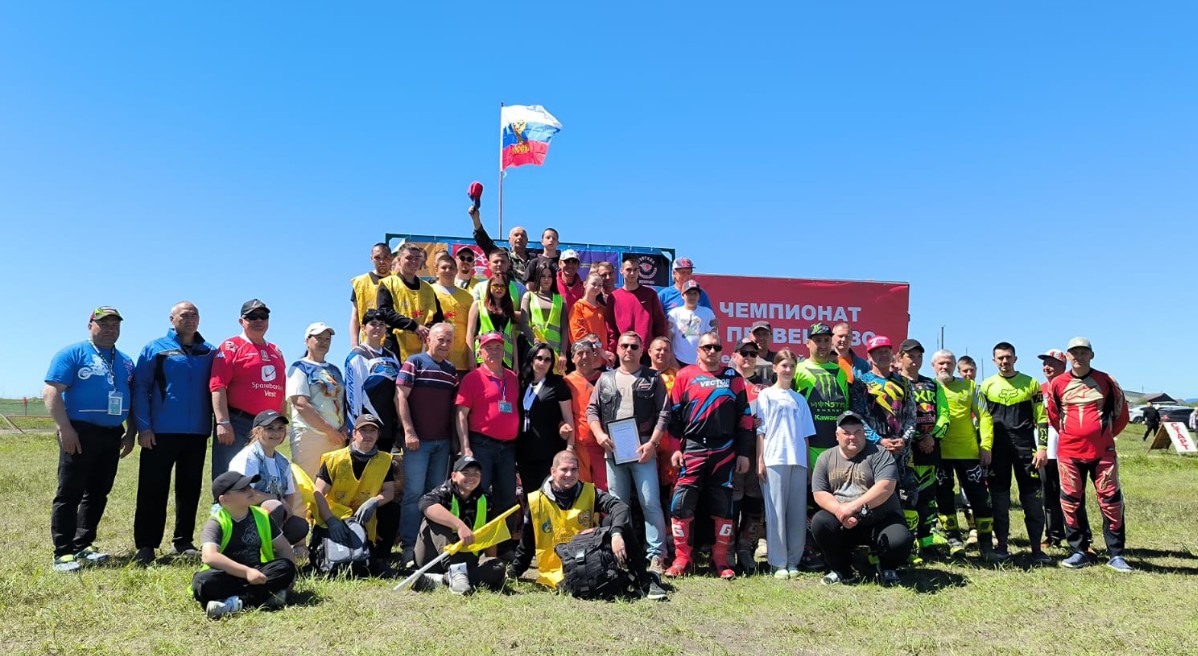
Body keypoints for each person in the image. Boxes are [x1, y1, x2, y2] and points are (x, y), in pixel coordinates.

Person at [44, 306, 137, 572]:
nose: (110, 329)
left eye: (115, 325)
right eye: (104, 324)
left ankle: (83, 545)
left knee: (98, 492)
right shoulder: (72, 353)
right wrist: (65, 428)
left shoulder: (125, 361)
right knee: (70, 492)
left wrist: (130, 432)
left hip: (112, 433)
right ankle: (63, 552)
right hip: (79, 431)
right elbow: (51, 391)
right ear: (90, 326)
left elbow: (132, 399)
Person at [509, 451, 668, 600]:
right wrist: (513, 572)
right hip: (557, 575)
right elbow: (527, 543)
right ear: (553, 471)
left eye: (574, 469)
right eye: (564, 469)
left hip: (591, 564)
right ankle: (634, 578)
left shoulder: (589, 492)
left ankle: (643, 580)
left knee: (617, 523)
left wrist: (616, 534)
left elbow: (619, 507)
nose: (569, 474)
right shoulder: (536, 501)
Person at [659, 331, 754, 579]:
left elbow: (745, 418)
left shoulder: (733, 377)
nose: (712, 351)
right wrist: (675, 447)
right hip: (692, 448)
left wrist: (744, 453)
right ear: (698, 351)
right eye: (707, 347)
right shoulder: (684, 375)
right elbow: (674, 416)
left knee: (723, 505)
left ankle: (720, 560)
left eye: (716, 347)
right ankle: (682, 559)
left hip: (725, 449)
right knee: (681, 502)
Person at [132, 302, 217, 564]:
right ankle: (146, 545)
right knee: (152, 488)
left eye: (194, 315)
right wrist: (144, 427)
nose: (190, 319)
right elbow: (140, 387)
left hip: (197, 433)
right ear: (172, 319)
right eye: (184, 315)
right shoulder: (155, 348)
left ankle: (183, 541)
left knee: (189, 489)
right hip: (160, 432)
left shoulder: (210, 351)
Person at [1044, 338, 1131, 572]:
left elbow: (1121, 413)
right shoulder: (1057, 384)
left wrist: (1103, 436)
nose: (1079, 357)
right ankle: (1079, 551)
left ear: (1091, 355)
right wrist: (1072, 435)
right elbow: (1053, 415)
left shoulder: (1107, 380)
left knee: (1111, 501)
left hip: (1103, 453)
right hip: (1069, 453)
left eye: (1083, 352)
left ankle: (1116, 554)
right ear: (1068, 356)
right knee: (1070, 501)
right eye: (1074, 353)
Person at [587, 332, 669, 573]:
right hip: (613, 448)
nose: (629, 350)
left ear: (642, 350)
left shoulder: (653, 378)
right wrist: (599, 435)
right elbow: (592, 410)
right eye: (624, 345)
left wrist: (652, 444)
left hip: (643, 447)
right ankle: (624, 554)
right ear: (618, 349)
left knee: (650, 502)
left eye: (634, 346)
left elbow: (664, 413)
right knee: (617, 504)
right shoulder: (605, 379)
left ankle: (656, 555)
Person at [811, 412, 913, 586]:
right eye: (846, 433)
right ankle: (842, 570)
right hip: (844, 521)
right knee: (820, 522)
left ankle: (887, 568)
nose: (852, 437)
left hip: (879, 519)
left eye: (858, 432)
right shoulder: (825, 458)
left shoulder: (880, 454)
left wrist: (853, 507)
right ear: (837, 435)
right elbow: (819, 493)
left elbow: (886, 487)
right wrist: (839, 510)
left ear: (864, 433)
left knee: (899, 538)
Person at [396, 323, 461, 567]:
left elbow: (453, 408)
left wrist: (454, 440)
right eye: (440, 339)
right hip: (417, 442)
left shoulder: (451, 370)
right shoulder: (414, 362)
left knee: (434, 496)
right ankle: (409, 546)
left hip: (441, 443)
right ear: (429, 340)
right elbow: (400, 396)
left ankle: (430, 548)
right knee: (414, 493)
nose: (445, 344)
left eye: (449, 340)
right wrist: (408, 431)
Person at [980, 342, 1049, 564]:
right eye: (1000, 358)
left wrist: (1043, 448)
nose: (1004, 361)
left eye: (1008, 357)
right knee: (999, 499)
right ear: (994, 361)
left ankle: (1037, 549)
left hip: (1025, 447)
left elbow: (1042, 417)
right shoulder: (986, 386)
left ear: (1015, 359)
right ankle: (1001, 546)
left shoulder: (1031, 383)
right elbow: (983, 419)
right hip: (997, 449)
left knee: (1032, 499)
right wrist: (985, 447)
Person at [192, 471, 297, 619]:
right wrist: (246, 572)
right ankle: (262, 597)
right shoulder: (216, 522)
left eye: (249, 486)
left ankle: (235, 602)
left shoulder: (262, 516)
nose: (250, 490)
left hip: (258, 572)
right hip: (228, 575)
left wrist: (292, 577)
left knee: (286, 567)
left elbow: (284, 547)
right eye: (242, 489)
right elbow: (209, 556)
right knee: (202, 582)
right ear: (224, 499)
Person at [455, 332, 521, 552]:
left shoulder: (512, 378)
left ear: (504, 351)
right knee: (477, 495)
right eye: (488, 348)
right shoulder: (472, 378)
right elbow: (461, 414)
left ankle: (503, 549)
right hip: (481, 445)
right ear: (480, 352)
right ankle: (474, 548)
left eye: (498, 348)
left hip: (508, 447)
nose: (494, 352)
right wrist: (465, 446)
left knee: (507, 498)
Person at [929, 349, 997, 560]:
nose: (945, 367)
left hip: (968, 452)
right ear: (933, 366)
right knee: (944, 498)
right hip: (939, 453)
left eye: (949, 363)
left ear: (954, 365)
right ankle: (954, 541)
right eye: (940, 363)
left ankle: (986, 544)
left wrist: (986, 446)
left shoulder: (970, 387)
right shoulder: (928, 387)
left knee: (980, 498)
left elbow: (985, 416)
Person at [311, 414, 397, 575]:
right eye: (363, 430)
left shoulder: (385, 460)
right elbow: (318, 492)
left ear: (378, 435)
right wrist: (330, 520)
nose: (368, 435)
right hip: (335, 518)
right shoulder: (334, 459)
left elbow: (389, 492)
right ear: (354, 433)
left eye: (373, 431)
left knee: (392, 509)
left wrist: (374, 501)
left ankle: (381, 556)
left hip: (364, 518)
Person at [755, 350, 816, 578]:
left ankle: (793, 561)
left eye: (791, 366)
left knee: (796, 514)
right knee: (776, 513)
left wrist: (807, 464)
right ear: (775, 368)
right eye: (784, 365)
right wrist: (760, 459)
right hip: (774, 459)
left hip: (797, 460)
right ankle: (777, 562)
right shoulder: (766, 395)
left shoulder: (799, 399)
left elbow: (806, 435)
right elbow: (760, 431)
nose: (788, 370)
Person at [210, 299, 286, 480]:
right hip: (237, 423)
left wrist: (282, 424)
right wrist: (223, 422)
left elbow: (281, 390)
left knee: (262, 477)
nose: (259, 320)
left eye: (263, 316)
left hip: (268, 425)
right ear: (241, 321)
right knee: (231, 477)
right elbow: (218, 386)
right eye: (252, 317)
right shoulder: (231, 346)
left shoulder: (276, 350)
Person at [413, 456, 508, 594]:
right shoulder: (444, 491)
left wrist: (490, 560)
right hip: (434, 557)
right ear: (454, 476)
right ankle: (455, 571)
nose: (471, 477)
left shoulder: (486, 498)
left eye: (475, 473)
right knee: (434, 519)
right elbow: (425, 505)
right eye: (466, 473)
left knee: (498, 566)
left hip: (468, 559)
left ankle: (442, 580)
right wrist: (460, 526)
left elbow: (490, 532)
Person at [895, 339, 949, 561]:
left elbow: (944, 414)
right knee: (906, 498)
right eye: (910, 356)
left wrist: (932, 436)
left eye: (919, 356)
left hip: (929, 448)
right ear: (900, 358)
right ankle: (906, 546)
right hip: (905, 449)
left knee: (927, 497)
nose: (915, 360)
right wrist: (911, 438)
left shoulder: (933, 384)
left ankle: (926, 541)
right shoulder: (895, 383)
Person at [227, 411, 310, 550]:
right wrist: (277, 499)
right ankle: (251, 549)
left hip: (269, 516)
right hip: (240, 517)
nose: (276, 433)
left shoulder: (283, 461)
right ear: (257, 431)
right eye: (269, 428)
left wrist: (286, 512)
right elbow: (243, 494)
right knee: (274, 506)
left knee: (299, 526)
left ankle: (272, 547)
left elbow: (289, 494)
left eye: (280, 428)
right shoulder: (248, 458)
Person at [286, 323, 347, 479]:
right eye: (318, 338)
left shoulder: (335, 370)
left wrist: (343, 428)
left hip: (337, 437)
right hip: (310, 435)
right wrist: (328, 430)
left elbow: (343, 402)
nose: (323, 342)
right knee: (307, 483)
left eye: (327, 339)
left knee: (333, 484)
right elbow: (300, 404)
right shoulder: (299, 367)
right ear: (307, 341)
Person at [517, 343, 575, 501]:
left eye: (547, 360)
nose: (542, 363)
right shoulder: (522, 383)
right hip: (524, 452)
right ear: (531, 360)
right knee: (531, 497)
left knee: (550, 496)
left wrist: (570, 447)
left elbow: (568, 417)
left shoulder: (557, 384)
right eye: (539, 358)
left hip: (549, 451)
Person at [731, 337, 768, 572]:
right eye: (743, 353)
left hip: (757, 451)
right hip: (732, 451)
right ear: (734, 356)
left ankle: (745, 549)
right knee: (732, 501)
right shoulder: (726, 380)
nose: (748, 357)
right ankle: (727, 550)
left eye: (753, 353)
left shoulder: (765, 386)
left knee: (754, 501)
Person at [343, 309, 402, 454]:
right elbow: (352, 398)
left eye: (381, 324)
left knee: (383, 467)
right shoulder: (356, 356)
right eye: (373, 324)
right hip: (366, 429)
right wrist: (354, 430)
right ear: (363, 328)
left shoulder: (392, 356)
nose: (378, 328)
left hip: (388, 427)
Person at [377, 243, 443, 363]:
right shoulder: (387, 284)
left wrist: (427, 331)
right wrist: (414, 326)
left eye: (417, 258)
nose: (413, 261)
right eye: (409, 258)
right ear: (399, 260)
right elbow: (384, 312)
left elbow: (438, 316)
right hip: (395, 347)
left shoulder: (428, 288)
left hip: (423, 348)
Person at [1037, 349, 1070, 549]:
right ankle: (1053, 534)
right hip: (1045, 444)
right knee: (1048, 490)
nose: (1047, 367)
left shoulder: (1070, 386)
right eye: (1045, 363)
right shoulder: (1039, 389)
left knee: (1069, 491)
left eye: (1052, 363)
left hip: (1067, 443)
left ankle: (1078, 537)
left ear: (1063, 366)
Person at [608, 255, 669, 361]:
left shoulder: (650, 294)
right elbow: (611, 328)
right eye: (628, 270)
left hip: (646, 354)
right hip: (623, 353)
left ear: (639, 271)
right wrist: (613, 351)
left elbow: (660, 323)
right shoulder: (613, 297)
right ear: (621, 271)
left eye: (635, 270)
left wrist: (658, 348)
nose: (632, 273)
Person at [564, 341, 606, 488]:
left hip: (604, 442)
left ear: (594, 355)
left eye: (588, 353)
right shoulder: (567, 382)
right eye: (579, 353)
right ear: (572, 358)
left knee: (604, 485)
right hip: (580, 444)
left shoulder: (606, 378)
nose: (584, 357)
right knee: (583, 487)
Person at [429, 252, 477, 371]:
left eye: (451, 268)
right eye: (444, 267)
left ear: (456, 270)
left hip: (462, 358)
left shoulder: (467, 296)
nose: (448, 271)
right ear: (436, 270)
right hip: (435, 358)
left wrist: (471, 356)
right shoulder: (428, 291)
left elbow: (472, 328)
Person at [467, 271, 520, 372]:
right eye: (495, 285)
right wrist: (471, 358)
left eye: (502, 286)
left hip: (505, 360)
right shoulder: (478, 305)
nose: (499, 289)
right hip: (483, 358)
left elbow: (512, 337)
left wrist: (516, 363)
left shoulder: (509, 309)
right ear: (489, 287)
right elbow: (470, 333)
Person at [522, 262, 567, 371]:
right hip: (534, 348)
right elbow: (524, 322)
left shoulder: (560, 299)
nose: (546, 279)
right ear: (538, 277)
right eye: (543, 276)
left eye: (549, 276)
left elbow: (565, 328)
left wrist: (563, 353)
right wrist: (534, 341)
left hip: (554, 351)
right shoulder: (529, 296)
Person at [470, 205, 531, 283]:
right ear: (509, 239)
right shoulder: (503, 256)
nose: (519, 237)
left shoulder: (535, 261)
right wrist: (476, 219)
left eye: (522, 236)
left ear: (527, 240)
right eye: (516, 235)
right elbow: (485, 242)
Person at [349, 243, 394, 348]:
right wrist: (354, 344)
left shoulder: (398, 282)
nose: (382, 262)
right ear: (371, 258)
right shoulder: (360, 282)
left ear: (391, 258)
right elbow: (355, 316)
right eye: (377, 258)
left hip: (394, 343)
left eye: (385, 257)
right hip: (369, 343)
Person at [666, 280, 718, 367]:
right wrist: (672, 359)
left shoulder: (708, 313)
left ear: (699, 296)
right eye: (689, 293)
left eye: (695, 294)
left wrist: (706, 360)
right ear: (682, 295)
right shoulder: (674, 314)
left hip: (700, 361)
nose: (692, 296)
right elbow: (669, 338)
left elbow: (712, 338)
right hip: (678, 360)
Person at [569, 272, 616, 366]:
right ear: (585, 284)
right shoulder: (577, 307)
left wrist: (609, 354)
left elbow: (610, 332)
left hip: (603, 360)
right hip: (585, 360)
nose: (596, 287)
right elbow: (578, 335)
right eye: (593, 284)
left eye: (599, 285)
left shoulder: (602, 309)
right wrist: (600, 351)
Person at [556, 249, 585, 323]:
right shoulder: (552, 283)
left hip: (576, 327)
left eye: (574, 262)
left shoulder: (584, 288)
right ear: (560, 263)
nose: (570, 265)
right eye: (567, 261)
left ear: (578, 265)